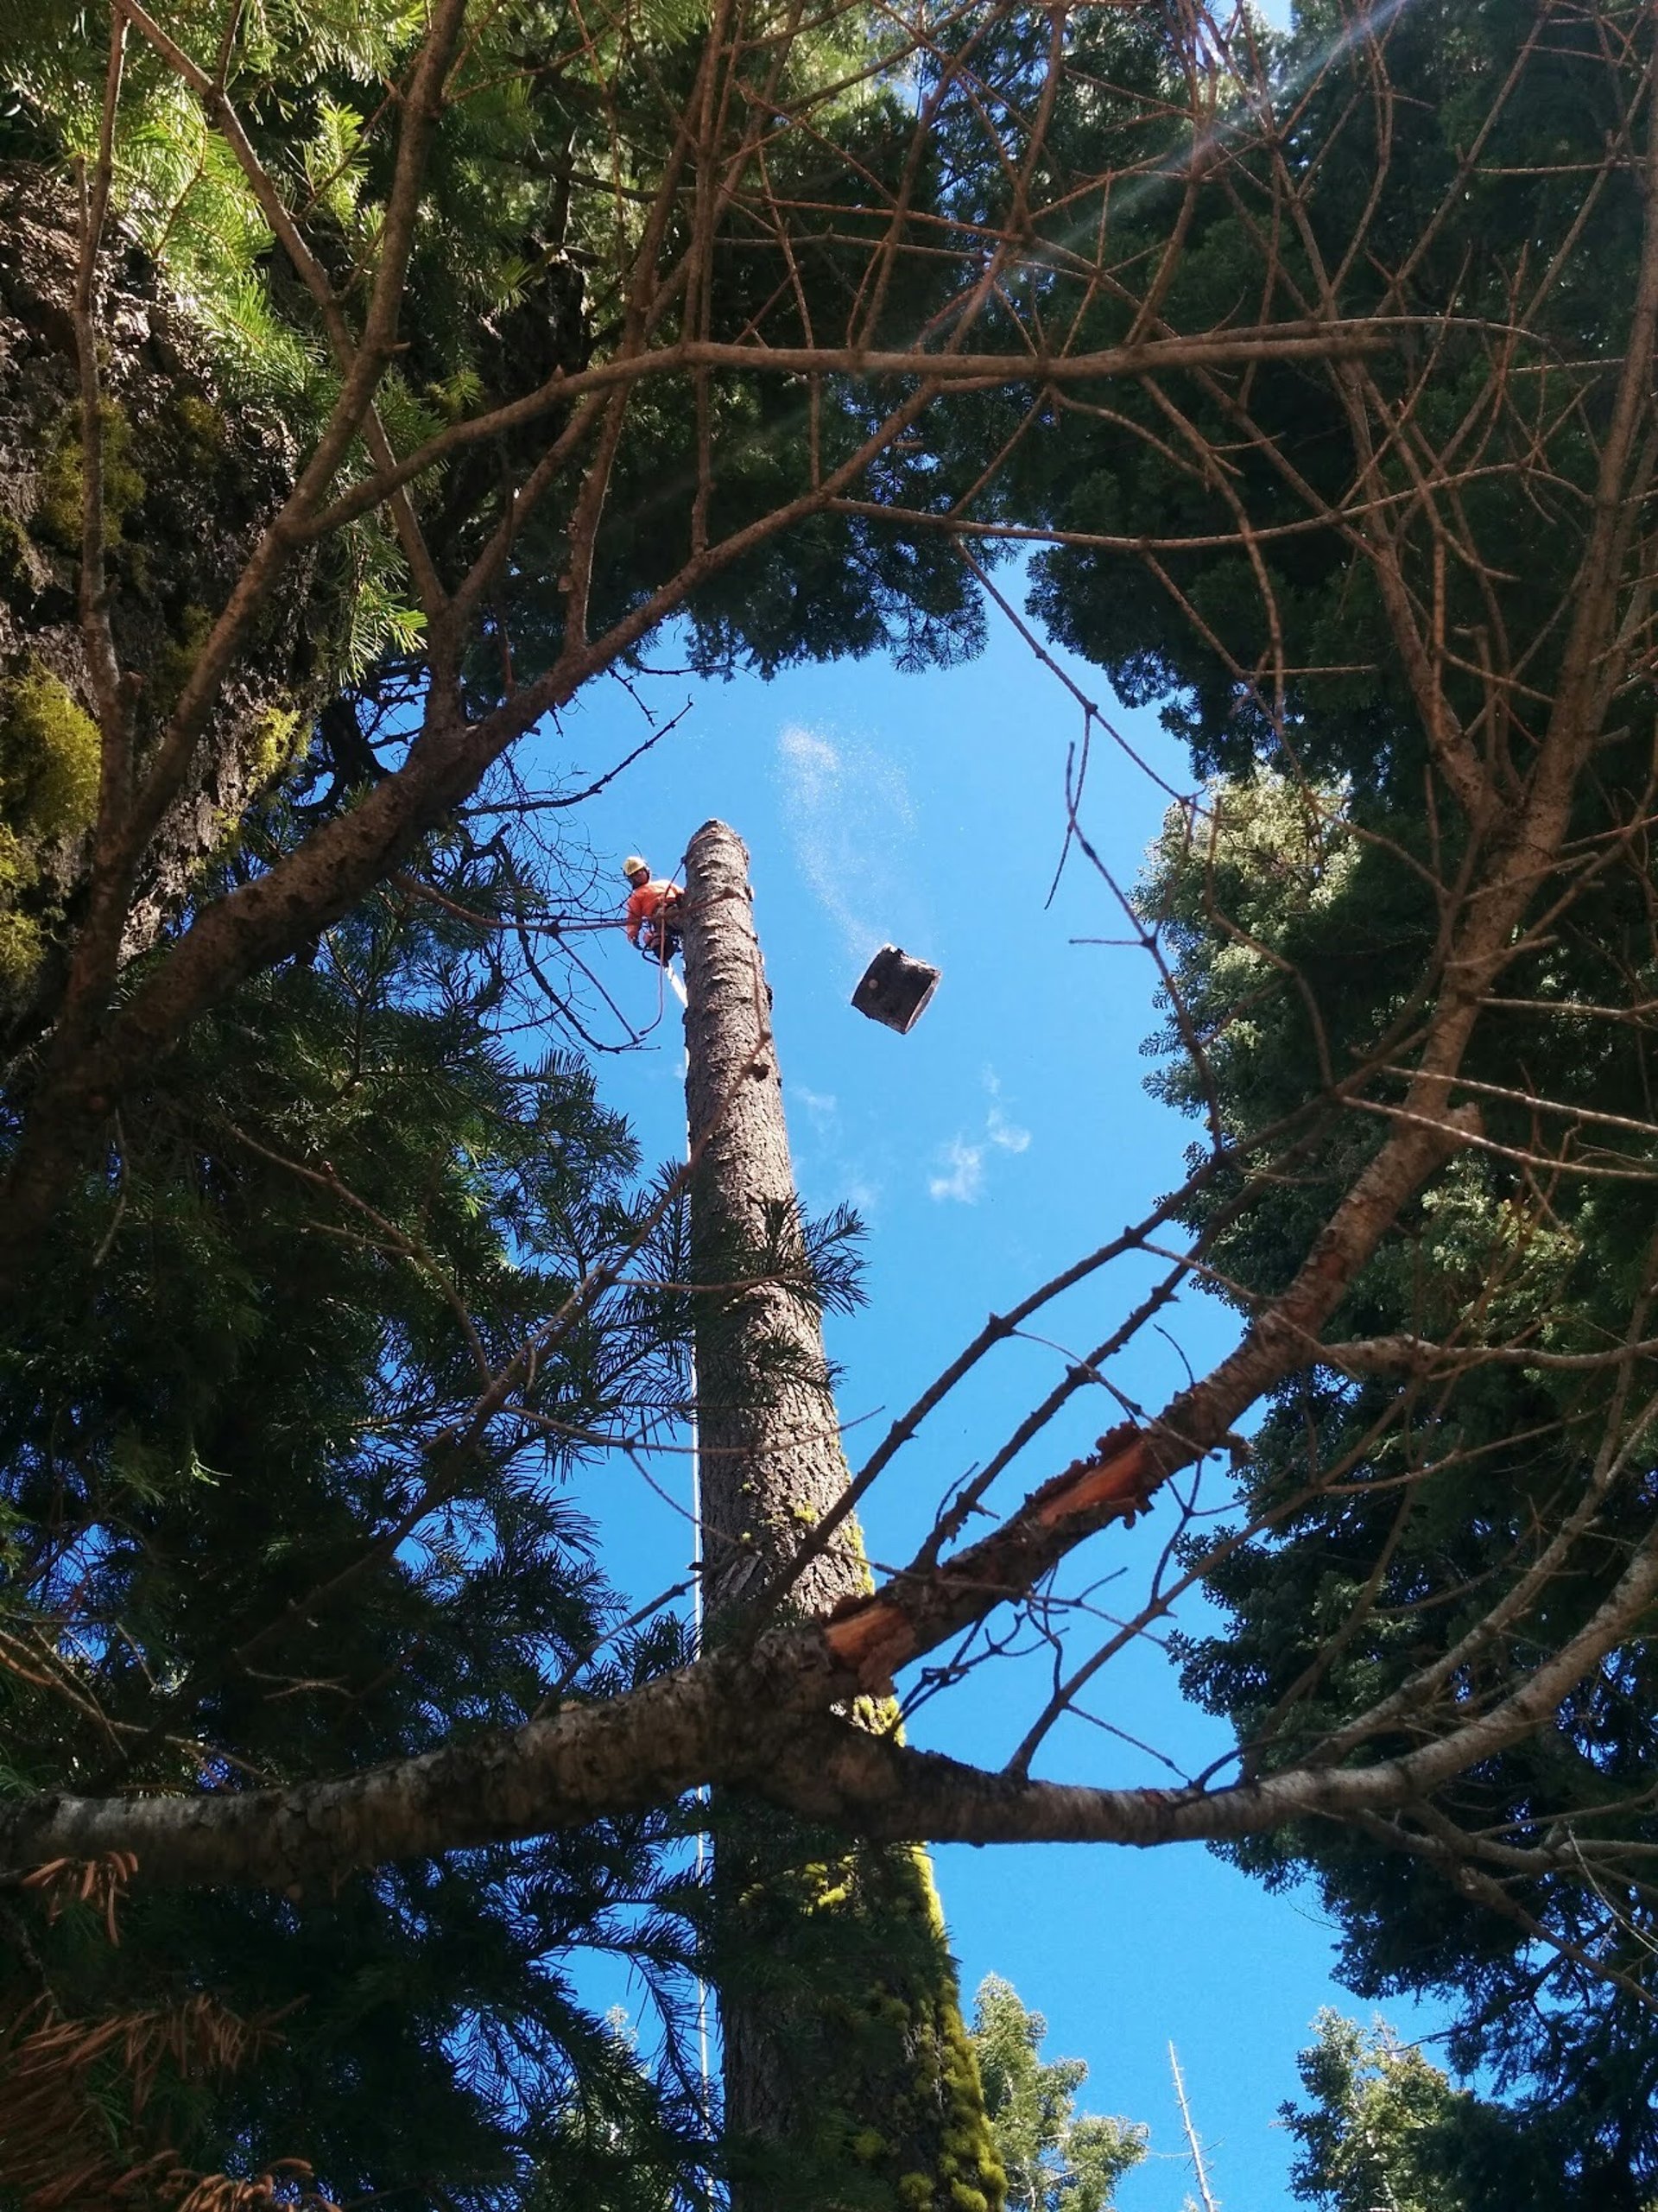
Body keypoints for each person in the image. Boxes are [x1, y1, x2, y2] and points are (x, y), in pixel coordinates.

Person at [622, 855, 683, 960]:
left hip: (676, 906)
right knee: (651, 938)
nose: (639, 874)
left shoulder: (664, 883)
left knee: (678, 913)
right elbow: (633, 918)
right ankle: (663, 952)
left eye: (640, 871)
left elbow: (682, 893)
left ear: (646, 870)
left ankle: (686, 921)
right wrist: (632, 934)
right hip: (659, 916)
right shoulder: (636, 896)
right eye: (635, 874)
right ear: (632, 879)